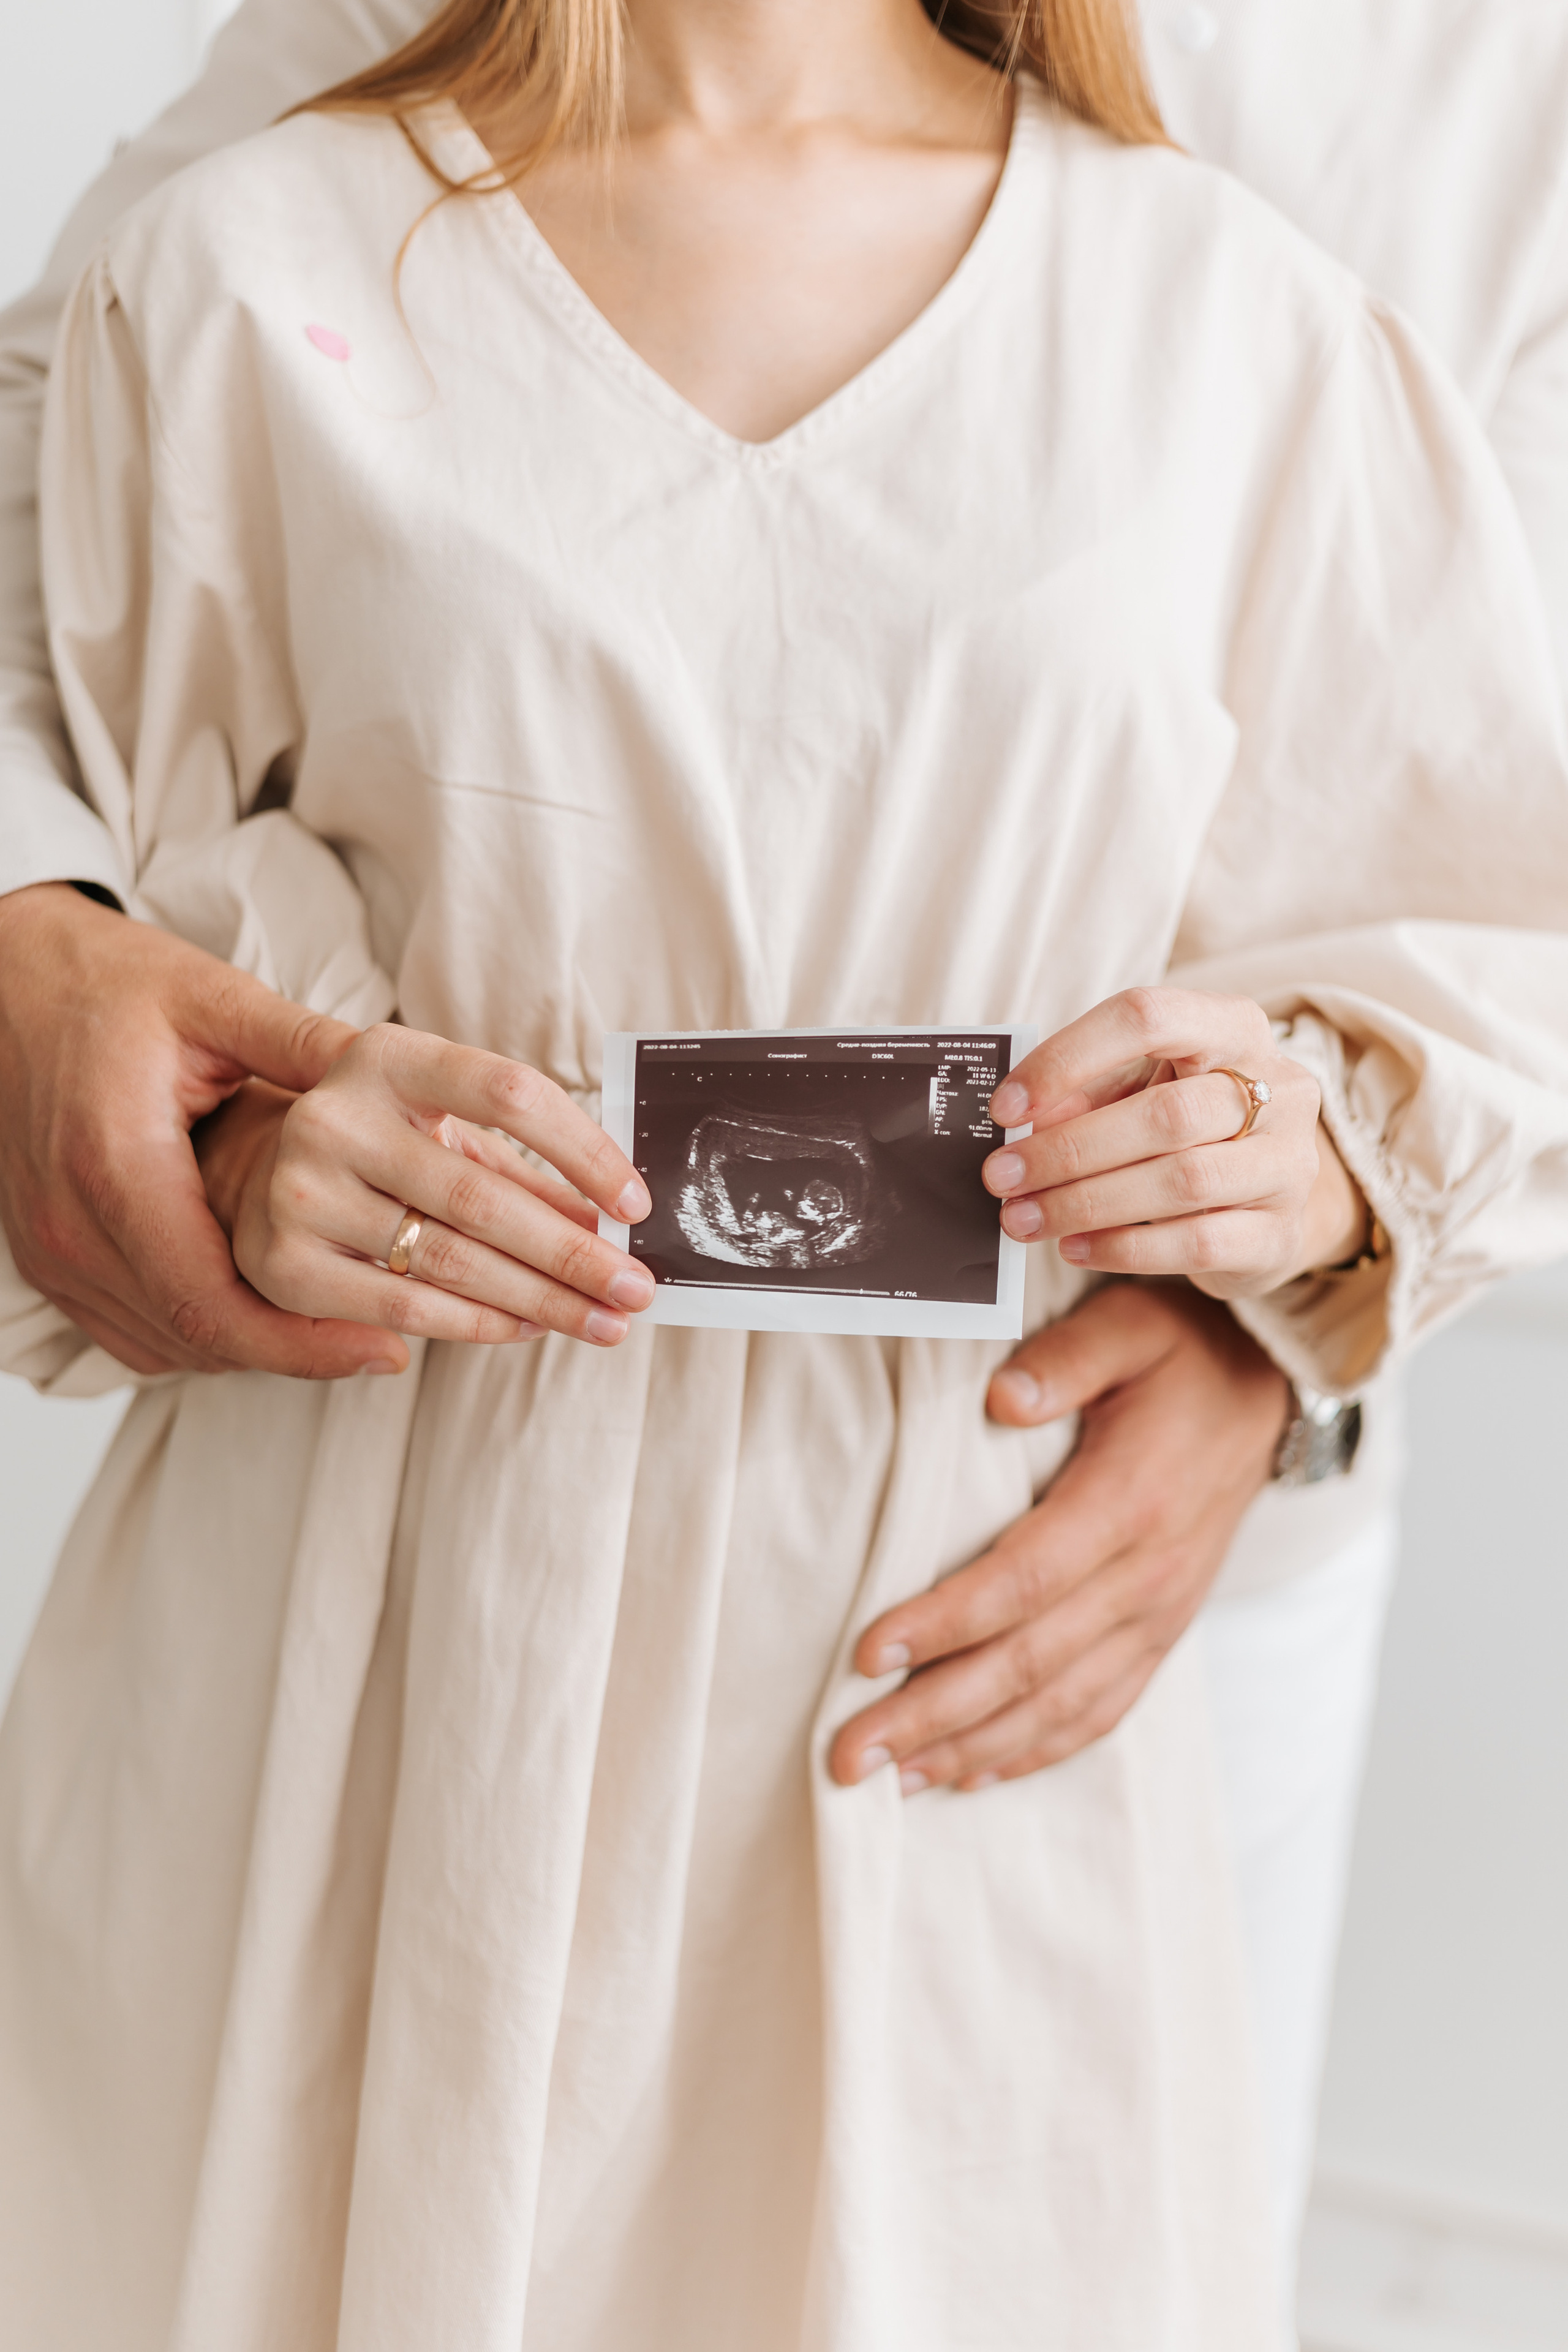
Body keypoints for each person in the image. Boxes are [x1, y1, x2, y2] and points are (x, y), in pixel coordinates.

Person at [1, 3, 1567, 2347]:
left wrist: (1324, 1171)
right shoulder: (248, 266)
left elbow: (1477, 918)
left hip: (953, 1618)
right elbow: (104, 838)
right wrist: (208, 1111)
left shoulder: (1247, 316)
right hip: (345, 1608)